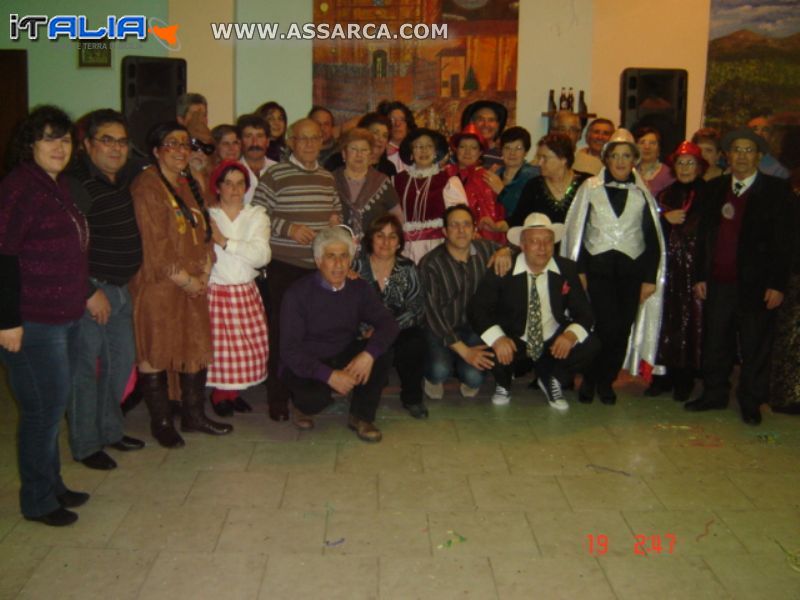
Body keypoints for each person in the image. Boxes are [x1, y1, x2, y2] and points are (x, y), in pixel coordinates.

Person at [0, 105, 90, 526]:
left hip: (65, 315)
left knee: (53, 407)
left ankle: (52, 484)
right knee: (41, 412)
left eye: (66, 139)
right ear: (30, 143)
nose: (60, 146)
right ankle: (37, 501)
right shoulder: (19, 187)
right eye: (50, 138)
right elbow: (3, 255)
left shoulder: (56, 186)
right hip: (34, 321)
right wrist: (7, 320)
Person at [130, 121, 233, 448]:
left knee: (195, 346)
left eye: (184, 145)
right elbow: (154, 243)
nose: (179, 150)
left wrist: (203, 272)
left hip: (194, 283)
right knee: (156, 349)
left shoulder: (191, 183)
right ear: (157, 151)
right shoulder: (146, 186)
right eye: (171, 144)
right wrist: (186, 279)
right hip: (160, 283)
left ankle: (193, 415)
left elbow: (205, 232)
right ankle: (161, 422)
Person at [688, 128, 793, 425]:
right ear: (727, 156)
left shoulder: (776, 191)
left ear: (759, 156)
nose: (742, 156)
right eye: (737, 150)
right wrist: (700, 275)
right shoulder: (713, 188)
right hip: (718, 281)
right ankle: (714, 394)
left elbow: (785, 242)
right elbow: (701, 238)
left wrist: (777, 284)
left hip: (757, 287)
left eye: (749, 150)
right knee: (715, 341)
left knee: (755, 345)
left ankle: (751, 400)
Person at [64, 109, 145, 471]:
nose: (116, 148)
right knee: (85, 371)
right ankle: (85, 444)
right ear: (87, 144)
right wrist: (86, 290)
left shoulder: (119, 179)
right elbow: (65, 246)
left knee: (119, 365)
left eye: (122, 141)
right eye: (106, 140)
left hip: (120, 289)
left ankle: (110, 431)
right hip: (91, 292)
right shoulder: (76, 185)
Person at [561, 128, 665, 404]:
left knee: (622, 330)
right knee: (604, 327)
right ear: (606, 159)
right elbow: (578, 233)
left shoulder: (642, 193)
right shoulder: (590, 188)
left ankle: (606, 381)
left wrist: (649, 278)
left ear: (634, 160)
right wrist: (579, 270)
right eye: (615, 156)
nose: (620, 162)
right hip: (598, 271)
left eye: (626, 156)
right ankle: (590, 379)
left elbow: (652, 239)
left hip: (631, 272)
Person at [252, 118, 342, 421]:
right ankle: (277, 399)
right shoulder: (274, 175)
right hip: (285, 268)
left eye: (314, 138)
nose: (308, 144)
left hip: (318, 270)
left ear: (322, 141)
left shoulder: (328, 178)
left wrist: (333, 227)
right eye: (302, 139)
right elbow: (257, 215)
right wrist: (288, 228)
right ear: (291, 141)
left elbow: (335, 215)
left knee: (315, 335)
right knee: (282, 334)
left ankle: (306, 396)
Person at [280, 226, 399, 441]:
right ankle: (300, 407)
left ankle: (361, 416)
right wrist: (329, 376)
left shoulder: (359, 288)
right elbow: (289, 350)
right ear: (318, 261)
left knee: (382, 352)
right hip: (308, 358)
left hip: (342, 350)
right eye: (331, 257)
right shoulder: (297, 294)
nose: (338, 264)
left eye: (344, 256)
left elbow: (388, 323)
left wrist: (368, 355)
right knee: (315, 398)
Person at [469, 213, 599, 409]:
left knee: (590, 344)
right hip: (514, 337)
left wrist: (570, 335)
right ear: (522, 245)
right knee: (494, 346)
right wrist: (497, 338)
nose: (542, 247)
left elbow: (585, 312)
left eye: (548, 241)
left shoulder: (566, 268)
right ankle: (503, 383)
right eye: (535, 241)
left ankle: (552, 379)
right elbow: (477, 308)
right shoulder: (505, 266)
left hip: (551, 337)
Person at [419, 205, 511, 400]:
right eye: (454, 225)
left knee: (474, 377)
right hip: (441, 328)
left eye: (466, 225)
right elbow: (432, 313)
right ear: (444, 231)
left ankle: (460, 366)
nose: (461, 231)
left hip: (475, 328)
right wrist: (465, 352)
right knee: (439, 370)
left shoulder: (486, 249)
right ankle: (436, 373)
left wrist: (506, 251)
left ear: (474, 229)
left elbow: (521, 250)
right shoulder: (431, 263)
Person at [206, 161, 271, 416]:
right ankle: (221, 394)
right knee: (220, 350)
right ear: (218, 187)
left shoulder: (256, 215)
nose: (234, 189)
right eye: (228, 183)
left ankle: (232, 393)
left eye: (240, 183)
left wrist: (224, 242)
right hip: (215, 290)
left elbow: (262, 255)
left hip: (244, 291)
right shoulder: (209, 215)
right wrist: (241, 248)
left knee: (245, 348)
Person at [644, 141, 708, 402]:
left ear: (700, 166)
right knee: (664, 321)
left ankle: (686, 378)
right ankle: (662, 377)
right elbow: (649, 226)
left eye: (690, 163)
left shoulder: (709, 195)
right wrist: (663, 218)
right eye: (680, 163)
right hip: (667, 269)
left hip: (694, 270)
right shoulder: (665, 196)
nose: (684, 168)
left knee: (692, 324)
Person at [354, 215, 428, 418]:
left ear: (399, 242)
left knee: (415, 342)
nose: (386, 242)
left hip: (399, 328)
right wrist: (364, 330)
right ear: (370, 239)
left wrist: (386, 330)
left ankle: (412, 398)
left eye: (392, 237)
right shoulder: (355, 267)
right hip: (363, 331)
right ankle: (364, 405)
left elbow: (416, 308)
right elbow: (345, 307)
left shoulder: (408, 268)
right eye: (380, 236)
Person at [393, 127, 467, 263]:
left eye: (429, 146)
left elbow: (459, 218)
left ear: (435, 152)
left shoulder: (449, 180)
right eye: (418, 146)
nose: (424, 150)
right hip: (405, 249)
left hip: (438, 249)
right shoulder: (397, 181)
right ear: (411, 152)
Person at [332, 127, 402, 242]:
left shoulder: (382, 182)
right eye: (354, 149)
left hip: (374, 252)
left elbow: (398, 219)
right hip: (339, 251)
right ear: (344, 154)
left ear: (370, 155)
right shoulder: (331, 181)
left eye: (364, 150)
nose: (359, 154)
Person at [509, 134, 590, 228]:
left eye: (544, 158)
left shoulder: (587, 183)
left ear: (563, 159)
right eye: (539, 158)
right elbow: (518, 220)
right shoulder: (534, 186)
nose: (539, 163)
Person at [445, 123, 506, 243]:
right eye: (463, 147)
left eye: (473, 148)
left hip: (478, 240)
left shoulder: (486, 178)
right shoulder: (445, 175)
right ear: (456, 150)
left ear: (480, 152)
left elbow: (490, 214)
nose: (467, 152)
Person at [494, 126, 539, 219]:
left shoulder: (533, 177)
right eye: (507, 148)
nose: (512, 153)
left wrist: (502, 192)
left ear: (526, 152)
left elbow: (527, 211)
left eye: (518, 148)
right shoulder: (495, 175)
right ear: (501, 150)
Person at [235, 114, 277, 206]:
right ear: (240, 141)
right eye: (248, 136)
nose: (254, 143)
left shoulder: (278, 170)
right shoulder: (232, 171)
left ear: (268, 141)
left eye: (260, 136)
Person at [460, 99, 507, 169]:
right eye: (480, 119)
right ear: (472, 123)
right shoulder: (459, 154)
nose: (486, 125)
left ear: (498, 126)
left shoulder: (506, 157)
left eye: (491, 120)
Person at [551, 110, 599, 175]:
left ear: (579, 134)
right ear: (553, 132)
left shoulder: (593, 165)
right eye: (562, 129)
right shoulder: (543, 161)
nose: (567, 134)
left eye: (572, 130)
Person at [377, 100, 417, 173]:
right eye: (392, 120)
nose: (397, 124)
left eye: (402, 119)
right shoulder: (380, 153)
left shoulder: (416, 151)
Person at [635, 126, 675, 197]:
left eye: (652, 143)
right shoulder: (630, 172)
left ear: (659, 149)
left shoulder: (668, 175)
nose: (647, 147)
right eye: (642, 142)